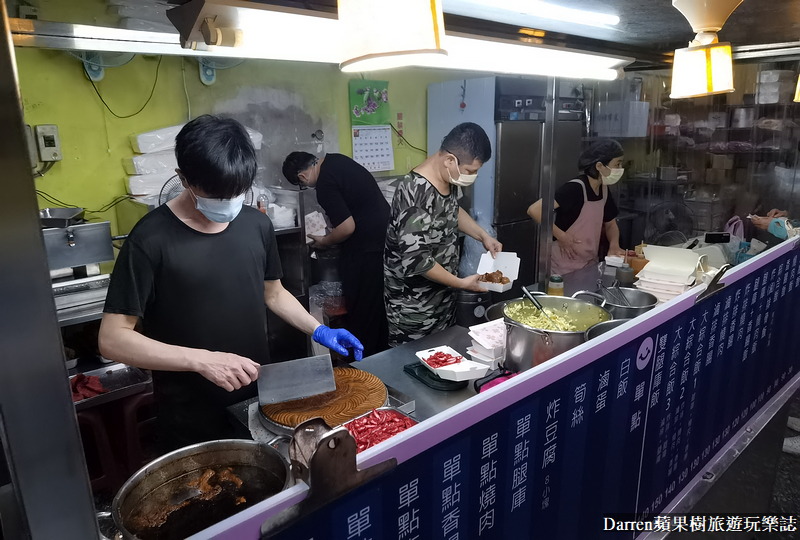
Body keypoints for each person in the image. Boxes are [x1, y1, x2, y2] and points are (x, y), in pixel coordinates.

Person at [99, 115, 363, 452]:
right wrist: (201, 360)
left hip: (258, 402)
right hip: (191, 416)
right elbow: (112, 338)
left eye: (238, 192)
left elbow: (274, 292)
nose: (230, 204)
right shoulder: (150, 240)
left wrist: (319, 330)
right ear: (183, 179)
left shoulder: (256, 225)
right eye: (217, 195)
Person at [384, 122, 502, 347]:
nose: (473, 176)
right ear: (450, 160)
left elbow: (452, 211)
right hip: (413, 307)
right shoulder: (414, 192)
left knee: (442, 357)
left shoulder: (448, 179)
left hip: (442, 298)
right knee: (413, 367)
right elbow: (417, 260)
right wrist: (460, 283)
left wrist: (482, 235)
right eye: (471, 171)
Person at [282, 151, 390, 357]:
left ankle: (362, 363)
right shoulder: (337, 160)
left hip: (366, 247)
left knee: (361, 307)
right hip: (382, 239)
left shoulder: (324, 184)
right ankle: (380, 356)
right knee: (376, 304)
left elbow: (347, 227)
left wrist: (324, 241)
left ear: (302, 177)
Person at [527, 139, 626, 276]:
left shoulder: (603, 190)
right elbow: (535, 210)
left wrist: (614, 245)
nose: (620, 169)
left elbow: (610, 224)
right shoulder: (575, 188)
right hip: (563, 266)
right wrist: (563, 237)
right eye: (617, 164)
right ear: (599, 166)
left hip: (589, 263)